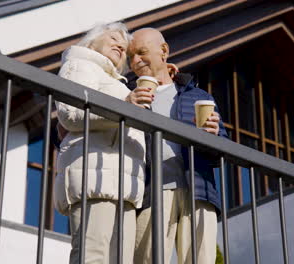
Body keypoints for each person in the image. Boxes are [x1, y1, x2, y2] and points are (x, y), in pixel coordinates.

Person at [125, 28, 228, 264]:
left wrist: (213, 136)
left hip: (198, 192)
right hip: (151, 192)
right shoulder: (128, 95)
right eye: (131, 57)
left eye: (141, 52)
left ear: (164, 51)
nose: (135, 61)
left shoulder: (197, 95)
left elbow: (220, 152)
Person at [54, 22, 146, 264]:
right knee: (92, 256)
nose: (120, 45)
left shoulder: (117, 83)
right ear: (92, 40)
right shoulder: (80, 64)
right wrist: (125, 108)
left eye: (124, 46)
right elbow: (70, 112)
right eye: (114, 37)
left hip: (122, 184)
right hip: (94, 176)